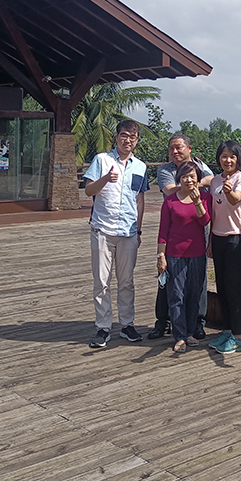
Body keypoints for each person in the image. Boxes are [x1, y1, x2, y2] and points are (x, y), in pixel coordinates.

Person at [82, 119, 149, 348]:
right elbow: (88, 190)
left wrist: (138, 230)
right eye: (124, 135)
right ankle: (103, 327)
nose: (128, 140)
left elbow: (139, 200)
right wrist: (105, 179)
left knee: (126, 281)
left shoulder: (140, 167)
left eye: (132, 136)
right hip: (102, 228)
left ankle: (127, 325)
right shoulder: (102, 160)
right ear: (116, 137)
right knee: (101, 281)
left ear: (137, 140)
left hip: (128, 231)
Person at [150, 134, 214, 340]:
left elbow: (213, 180)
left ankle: (197, 323)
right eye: (171, 148)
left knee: (198, 283)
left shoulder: (201, 165)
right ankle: (164, 321)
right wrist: (191, 184)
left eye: (179, 147)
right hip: (174, 233)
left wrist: (193, 183)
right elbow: (169, 190)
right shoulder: (165, 170)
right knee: (168, 283)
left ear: (189, 148)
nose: (175, 152)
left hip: (198, 232)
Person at [208, 140, 241, 355]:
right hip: (218, 237)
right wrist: (210, 240)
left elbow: (235, 200)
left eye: (232, 156)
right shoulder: (214, 180)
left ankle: (240, 336)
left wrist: (228, 191)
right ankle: (227, 330)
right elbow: (213, 213)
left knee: (234, 286)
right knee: (222, 286)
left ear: (238, 158)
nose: (227, 160)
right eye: (224, 156)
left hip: (238, 238)